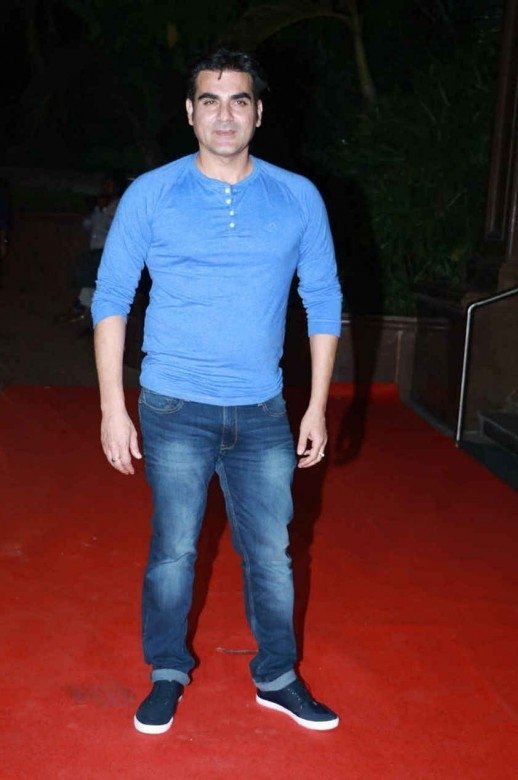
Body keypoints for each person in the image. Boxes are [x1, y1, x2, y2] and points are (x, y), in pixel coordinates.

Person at [91, 48, 342, 735]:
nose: (223, 114)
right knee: (174, 549)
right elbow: (111, 298)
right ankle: (167, 671)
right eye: (209, 100)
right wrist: (112, 407)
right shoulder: (152, 193)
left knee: (272, 554)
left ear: (258, 114)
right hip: (173, 405)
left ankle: (277, 676)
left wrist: (317, 404)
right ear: (189, 113)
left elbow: (322, 298)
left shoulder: (296, 196)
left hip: (262, 408)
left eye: (238, 100)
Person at [60, 170, 127, 322]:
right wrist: (96, 210)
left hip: (109, 251)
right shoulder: (102, 205)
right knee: (93, 280)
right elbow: (89, 225)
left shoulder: (121, 206)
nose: (106, 188)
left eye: (109, 185)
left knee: (93, 278)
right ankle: (88, 311)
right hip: (96, 249)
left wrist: (104, 211)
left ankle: (83, 309)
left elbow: (117, 228)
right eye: (105, 185)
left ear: (118, 187)